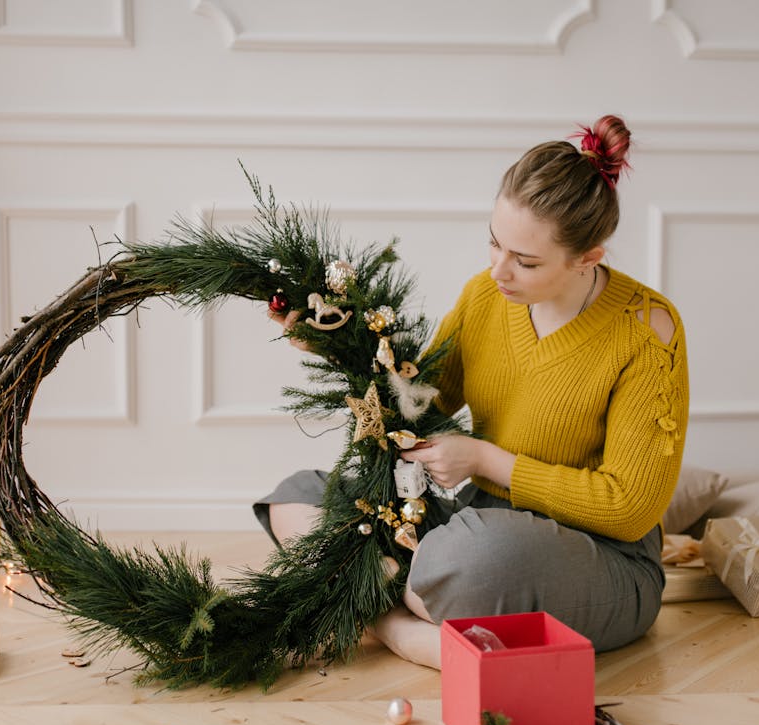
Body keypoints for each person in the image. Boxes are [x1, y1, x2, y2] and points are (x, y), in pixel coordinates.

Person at [257, 115, 688, 669]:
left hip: (597, 557)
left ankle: (380, 615)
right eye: (494, 242)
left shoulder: (648, 330)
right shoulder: (486, 297)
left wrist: (486, 458)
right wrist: (337, 346)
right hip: (473, 522)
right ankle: (401, 613)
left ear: (588, 258)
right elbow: (420, 405)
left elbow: (629, 509)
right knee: (297, 496)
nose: (499, 270)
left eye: (526, 262)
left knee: (474, 561)